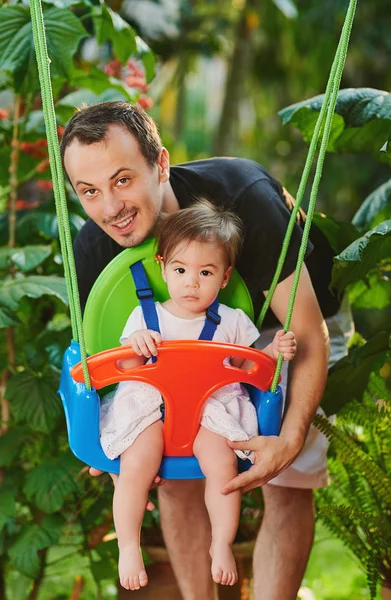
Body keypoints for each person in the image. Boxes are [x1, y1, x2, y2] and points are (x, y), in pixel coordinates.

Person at [61, 101, 353, 600]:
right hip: (169, 336)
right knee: (171, 475)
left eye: (123, 180)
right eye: (90, 191)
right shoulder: (94, 250)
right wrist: (118, 448)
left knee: (283, 482)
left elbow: (305, 334)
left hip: (281, 325)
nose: (111, 207)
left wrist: (288, 438)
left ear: (161, 164)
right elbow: (118, 374)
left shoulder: (244, 200)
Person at [99, 201, 297, 590]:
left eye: (205, 272)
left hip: (212, 408)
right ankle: (128, 544)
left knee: (222, 465)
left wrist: (274, 353)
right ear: (162, 268)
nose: (192, 282)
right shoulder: (146, 316)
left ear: (224, 278)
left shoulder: (233, 322)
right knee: (135, 467)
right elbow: (123, 371)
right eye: (180, 270)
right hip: (150, 407)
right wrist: (138, 344)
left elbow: (250, 371)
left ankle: (220, 543)